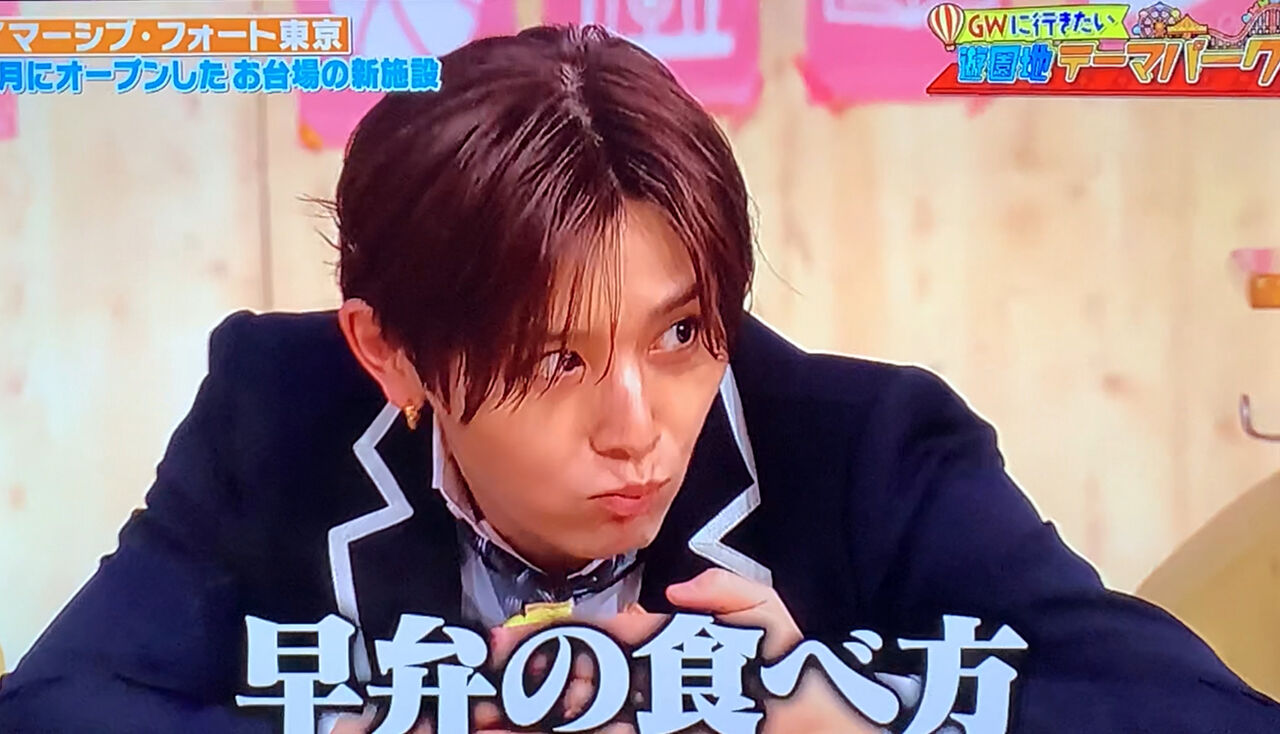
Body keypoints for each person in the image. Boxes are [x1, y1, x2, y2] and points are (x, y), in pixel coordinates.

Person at [1, 23, 1278, 734]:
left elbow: (1195, 713)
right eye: (553, 356)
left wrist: (837, 715)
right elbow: (57, 702)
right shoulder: (275, 410)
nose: (638, 430)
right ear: (390, 353)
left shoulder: (868, 445)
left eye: (679, 335)